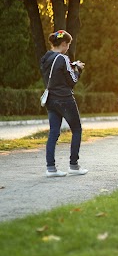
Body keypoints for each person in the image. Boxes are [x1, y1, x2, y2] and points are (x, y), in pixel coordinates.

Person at [40, 30, 87, 177]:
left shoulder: (46, 57)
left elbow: (56, 73)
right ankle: (74, 165)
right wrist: (78, 69)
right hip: (65, 99)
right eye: (68, 45)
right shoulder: (63, 58)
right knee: (77, 130)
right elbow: (72, 81)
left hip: (51, 100)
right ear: (64, 44)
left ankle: (51, 168)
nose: (68, 48)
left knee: (53, 132)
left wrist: (71, 66)